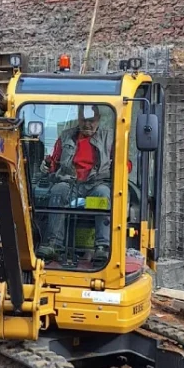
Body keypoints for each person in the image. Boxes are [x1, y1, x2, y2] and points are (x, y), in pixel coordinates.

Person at [38, 105, 113, 263]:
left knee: (103, 195)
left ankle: (102, 247)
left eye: (91, 121)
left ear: (98, 119)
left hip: (95, 184)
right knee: (58, 191)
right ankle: (54, 244)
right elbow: (54, 161)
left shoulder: (110, 138)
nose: (87, 124)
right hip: (70, 183)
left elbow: (124, 164)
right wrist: (47, 165)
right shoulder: (66, 137)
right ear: (78, 119)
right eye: (84, 120)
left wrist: (122, 168)